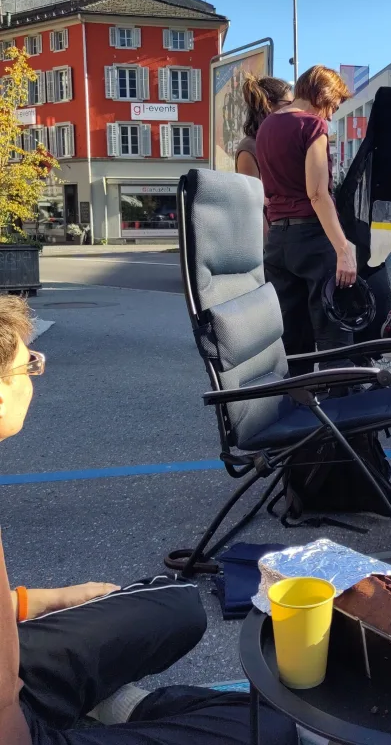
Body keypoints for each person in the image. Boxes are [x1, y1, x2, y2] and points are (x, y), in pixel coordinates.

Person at [0, 297, 297, 745]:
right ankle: (116, 706)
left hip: (18, 673)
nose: (34, 378)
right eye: (28, 367)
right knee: (269, 727)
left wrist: (41, 601)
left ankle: (104, 701)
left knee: (179, 604)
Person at [256, 65, 355, 364]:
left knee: (292, 335)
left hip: (278, 242)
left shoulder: (267, 127)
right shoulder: (312, 126)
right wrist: (344, 249)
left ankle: (296, 403)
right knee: (333, 330)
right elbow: (317, 194)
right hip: (312, 238)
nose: (330, 116)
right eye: (333, 106)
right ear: (322, 94)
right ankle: (338, 406)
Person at [235, 75, 293, 179]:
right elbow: (252, 194)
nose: (294, 110)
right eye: (289, 104)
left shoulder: (284, 143)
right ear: (269, 106)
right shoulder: (249, 147)